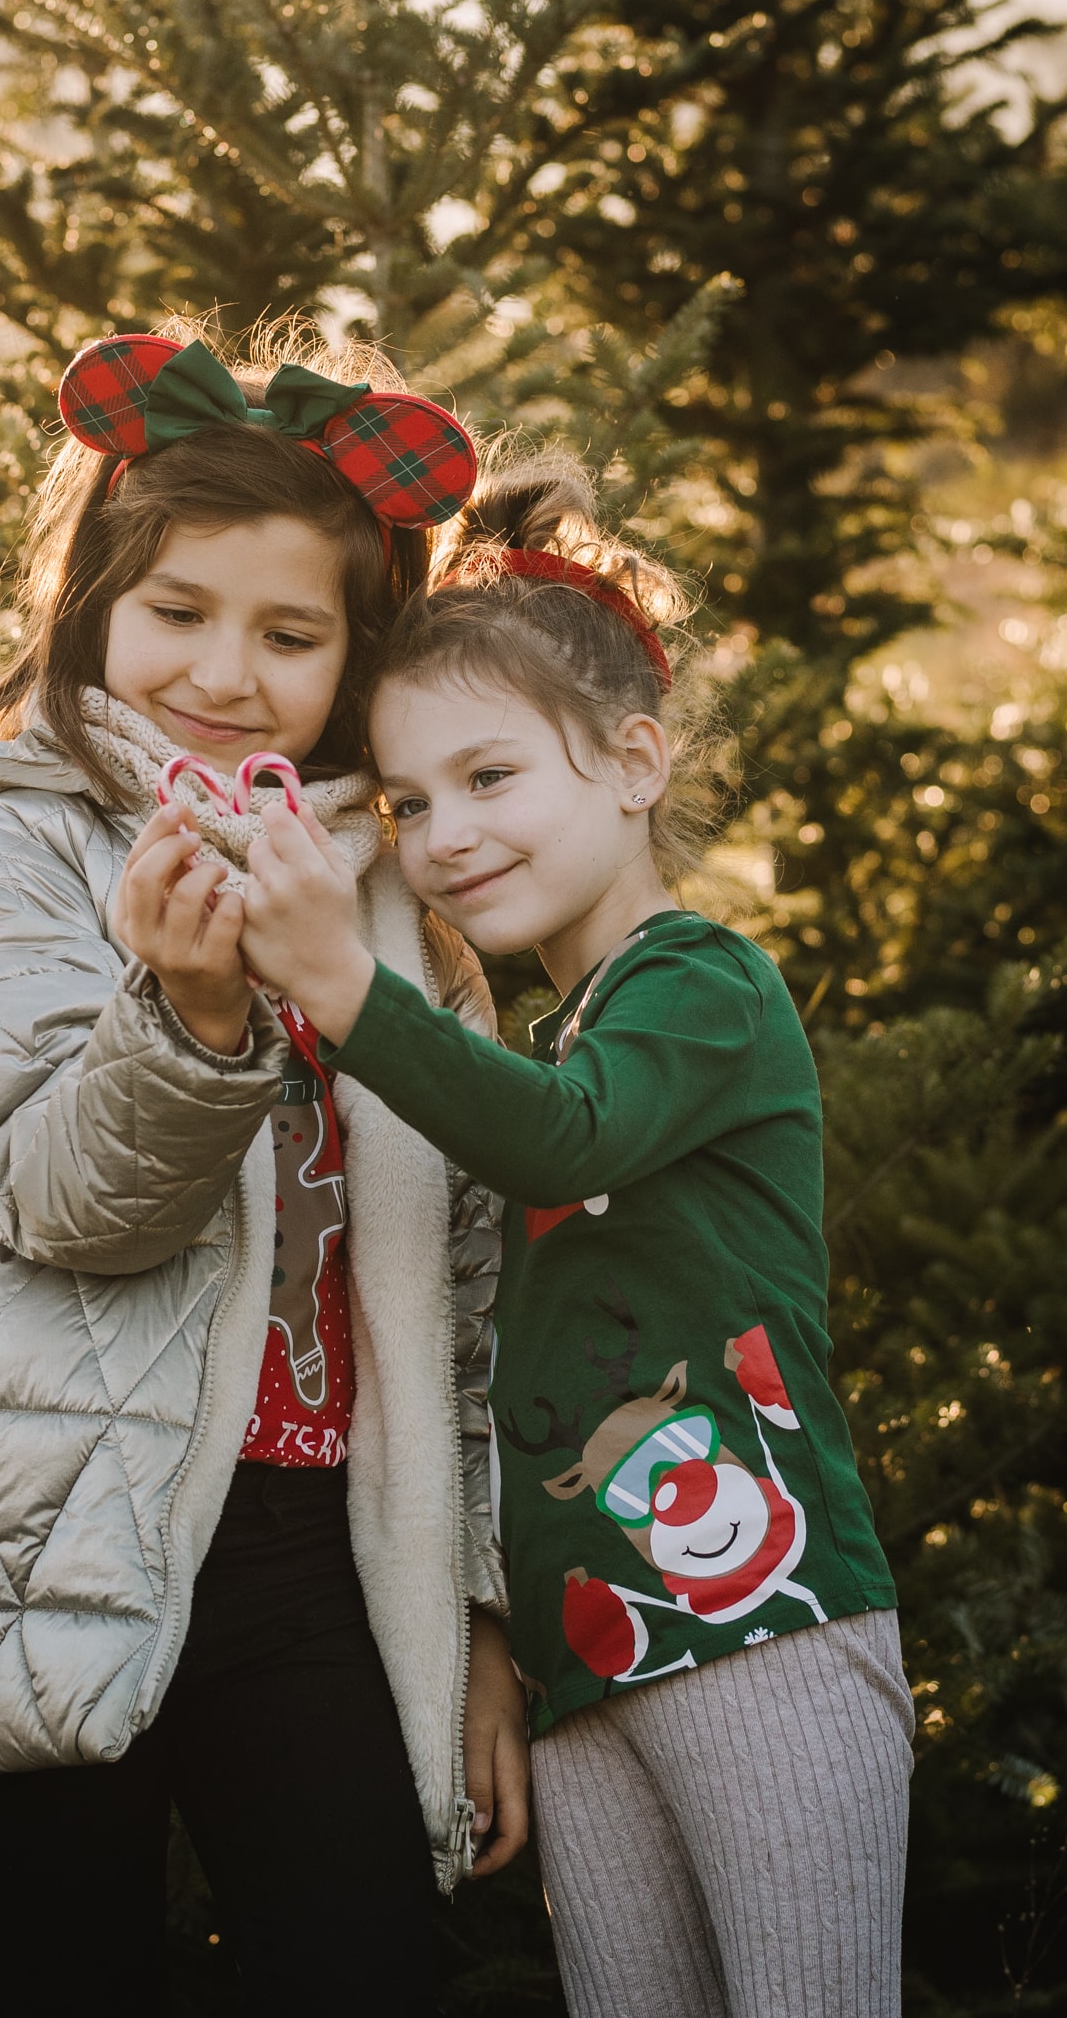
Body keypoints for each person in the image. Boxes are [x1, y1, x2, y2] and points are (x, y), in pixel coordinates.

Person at [0, 321, 529, 2018]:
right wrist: (195, 1016)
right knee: (66, 1974)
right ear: (93, 610)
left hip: (306, 1546)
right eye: (178, 613)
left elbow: (466, 1293)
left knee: (360, 1966)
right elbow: (71, 1201)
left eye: (288, 634)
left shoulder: (390, 902)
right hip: (38, 1526)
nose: (224, 675)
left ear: (351, 659)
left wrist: (482, 1617)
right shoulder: (9, 853)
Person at [233, 455, 915, 2018]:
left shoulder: (702, 986)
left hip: (765, 1625)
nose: (441, 837)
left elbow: (567, 1138)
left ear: (631, 761)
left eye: (489, 778)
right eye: (406, 803)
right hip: (586, 1666)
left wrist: (345, 987)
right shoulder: (545, 1039)